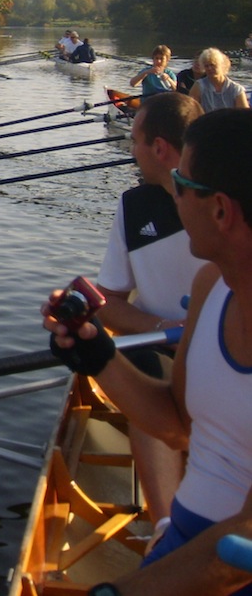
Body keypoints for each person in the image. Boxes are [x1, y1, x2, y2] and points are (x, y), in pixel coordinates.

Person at [44, 108, 252, 596]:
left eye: (181, 184)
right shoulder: (209, 287)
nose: (172, 194)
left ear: (220, 211)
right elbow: (177, 425)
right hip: (183, 546)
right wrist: (96, 356)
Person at [94, 92, 206, 530]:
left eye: (134, 141)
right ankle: (166, 527)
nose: (130, 150)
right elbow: (108, 304)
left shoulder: (230, 200)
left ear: (158, 148)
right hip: (164, 348)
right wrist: (164, 326)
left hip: (232, 343)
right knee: (143, 363)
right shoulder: (133, 206)